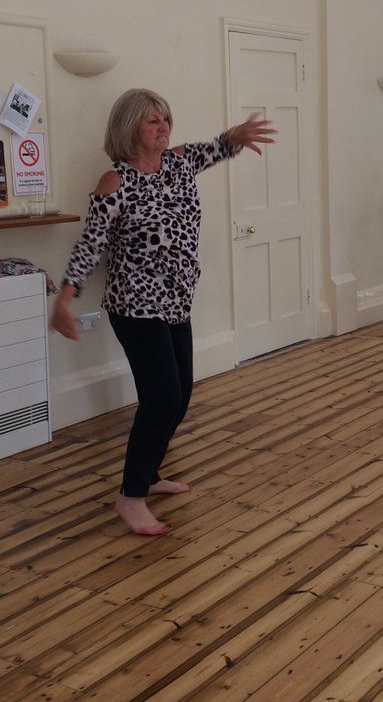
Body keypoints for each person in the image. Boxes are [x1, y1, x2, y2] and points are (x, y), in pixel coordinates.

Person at [51, 89, 274, 536]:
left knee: (180, 396)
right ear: (130, 127)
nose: (163, 126)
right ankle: (130, 496)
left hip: (175, 302)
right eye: (152, 120)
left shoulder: (178, 162)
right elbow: (91, 244)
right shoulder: (115, 181)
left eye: (166, 119)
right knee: (162, 397)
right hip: (134, 306)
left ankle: (149, 476)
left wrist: (238, 133)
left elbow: (215, 147)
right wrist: (65, 298)